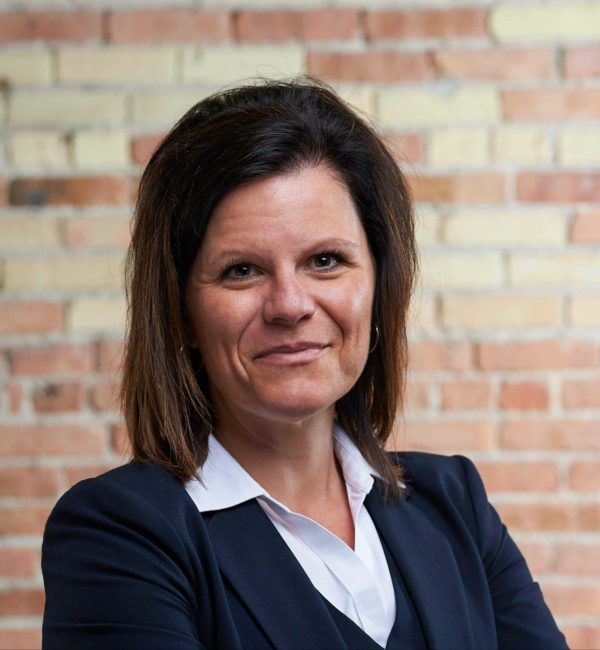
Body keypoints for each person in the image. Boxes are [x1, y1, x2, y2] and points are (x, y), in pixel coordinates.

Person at [41, 77, 567, 650]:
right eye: (241, 270)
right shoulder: (121, 536)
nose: (290, 305)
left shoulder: (453, 504)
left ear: (378, 287)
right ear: (182, 312)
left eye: (325, 260)